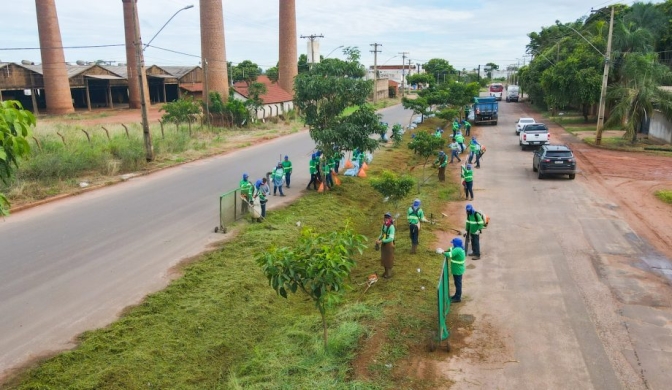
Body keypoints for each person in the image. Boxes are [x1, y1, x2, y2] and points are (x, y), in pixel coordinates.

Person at [441, 237, 466, 303]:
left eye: (453, 243)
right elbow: (451, 249)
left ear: (456, 244)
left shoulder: (457, 250)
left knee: (458, 284)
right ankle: (456, 295)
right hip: (457, 270)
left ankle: (458, 298)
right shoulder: (458, 248)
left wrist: (442, 252)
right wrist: (445, 250)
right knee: (456, 283)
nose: (453, 245)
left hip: (457, 270)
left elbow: (450, 254)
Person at [376, 212, 396, 278]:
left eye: (387, 218)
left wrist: (382, 241)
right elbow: (382, 234)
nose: (386, 219)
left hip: (389, 245)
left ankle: (389, 273)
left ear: (390, 219)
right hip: (384, 244)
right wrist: (378, 239)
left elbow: (391, 238)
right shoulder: (383, 225)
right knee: (384, 258)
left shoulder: (392, 227)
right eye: (385, 218)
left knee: (389, 259)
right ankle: (385, 271)